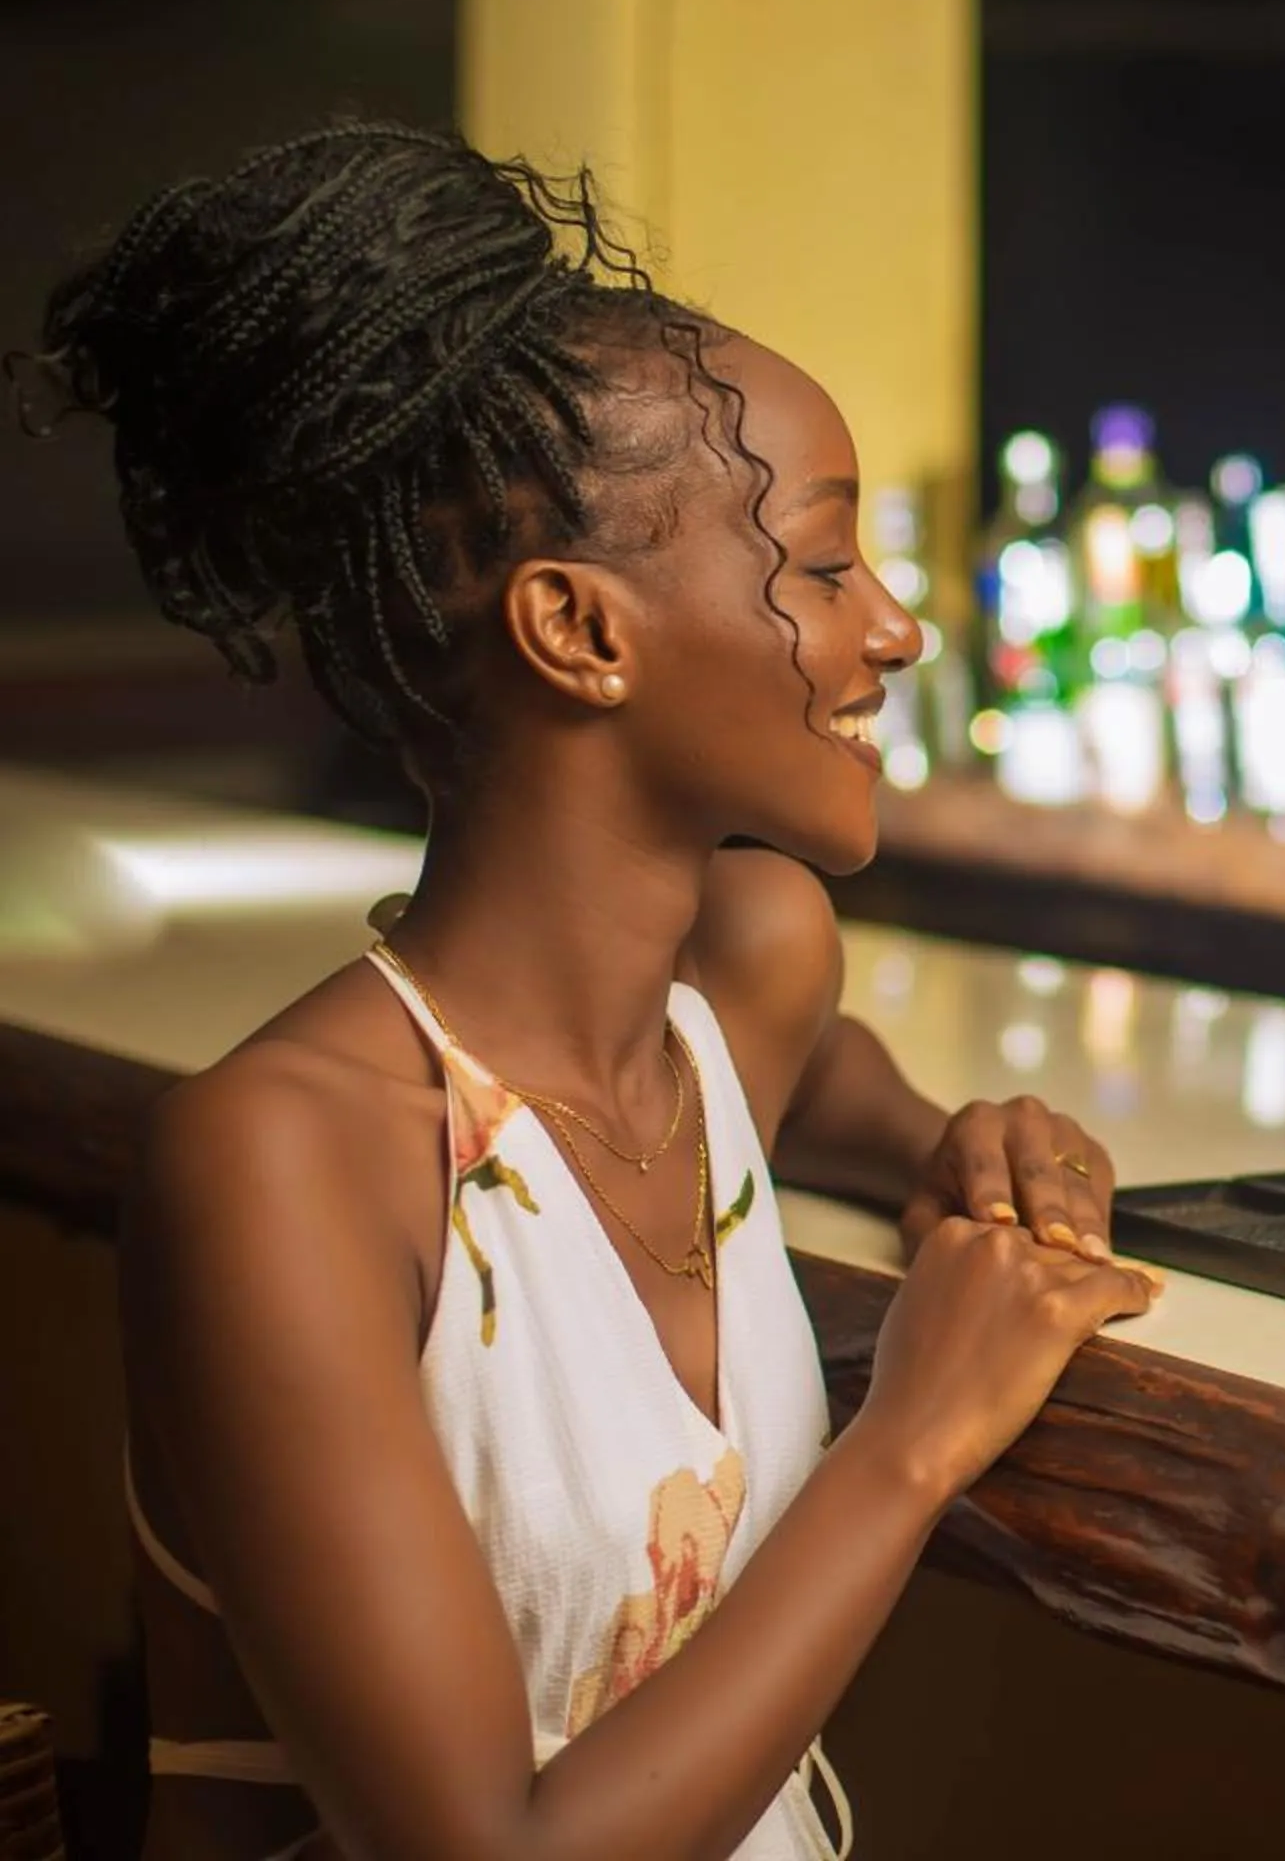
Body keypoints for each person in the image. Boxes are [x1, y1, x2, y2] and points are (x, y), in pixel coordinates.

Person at [19, 124, 1158, 1861]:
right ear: (582, 631)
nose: (901, 631)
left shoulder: (743, 981)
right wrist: (911, 1439)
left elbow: (815, 1067)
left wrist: (956, 1136)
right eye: (833, 565)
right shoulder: (285, 1166)